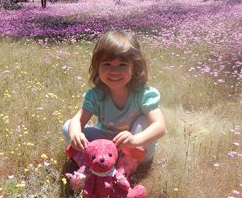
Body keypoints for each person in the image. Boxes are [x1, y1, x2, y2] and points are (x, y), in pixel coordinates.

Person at [62, 29, 166, 176]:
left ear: (134, 68)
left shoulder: (143, 94)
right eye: (107, 64)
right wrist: (76, 134)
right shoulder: (97, 95)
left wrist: (134, 140)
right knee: (68, 127)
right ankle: (90, 165)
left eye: (122, 64)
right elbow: (77, 120)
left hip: (135, 147)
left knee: (145, 121)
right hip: (107, 143)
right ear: (97, 67)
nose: (114, 71)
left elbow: (160, 127)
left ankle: (123, 170)